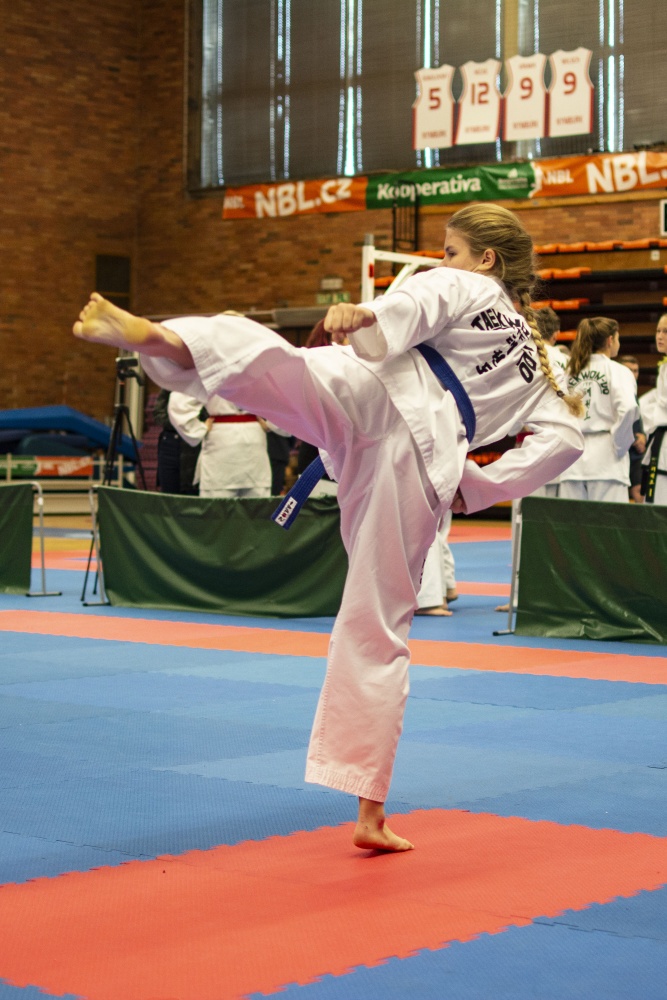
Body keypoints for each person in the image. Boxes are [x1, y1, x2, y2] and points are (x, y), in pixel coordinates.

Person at [73, 203, 584, 852]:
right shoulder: (545, 364)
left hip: (366, 385)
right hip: (422, 451)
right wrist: (477, 488)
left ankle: (164, 339)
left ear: (486, 260)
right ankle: (369, 810)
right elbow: (565, 440)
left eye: (451, 250)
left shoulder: (468, 284)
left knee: (276, 367)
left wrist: (369, 315)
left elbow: (423, 298)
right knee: (377, 622)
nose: (444, 261)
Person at [559, 318, 638, 503]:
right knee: (609, 520)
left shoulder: (569, 373)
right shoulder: (618, 371)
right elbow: (628, 408)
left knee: (573, 520)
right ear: (610, 340)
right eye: (618, 338)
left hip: (572, 459)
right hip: (606, 460)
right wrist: (619, 446)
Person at [167, 391, 272, 498]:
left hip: (223, 439)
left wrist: (196, 429)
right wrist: (273, 423)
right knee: (256, 504)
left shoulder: (209, 378)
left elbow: (180, 402)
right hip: (251, 438)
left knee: (218, 504)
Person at [152, 388, 201, 495]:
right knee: (168, 493)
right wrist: (178, 422)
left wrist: (190, 425)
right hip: (169, 442)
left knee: (192, 491)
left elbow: (207, 415)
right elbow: (158, 413)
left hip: (194, 442)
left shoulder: (202, 385)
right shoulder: (170, 385)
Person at [641, 314, 667, 504]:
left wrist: (646, 415)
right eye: (658, 331)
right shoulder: (664, 367)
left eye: (666, 331)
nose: (660, 336)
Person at [617, 355, 647, 502]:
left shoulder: (633, 392)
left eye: (636, 371)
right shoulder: (616, 390)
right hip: (619, 450)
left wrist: (642, 436)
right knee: (619, 492)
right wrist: (635, 437)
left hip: (635, 452)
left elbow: (637, 422)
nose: (633, 374)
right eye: (629, 370)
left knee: (640, 490)